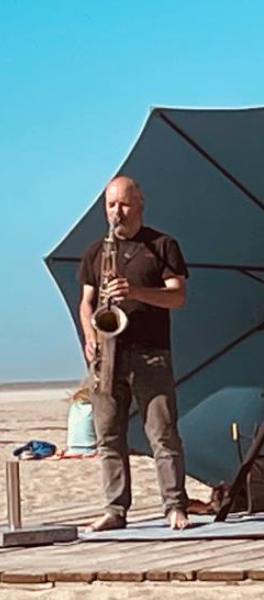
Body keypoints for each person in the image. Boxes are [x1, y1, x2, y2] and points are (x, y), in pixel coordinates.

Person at [78, 175, 191, 531]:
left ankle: (174, 505)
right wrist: (89, 335)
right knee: (109, 436)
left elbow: (178, 297)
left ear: (139, 204)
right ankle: (115, 509)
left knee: (163, 432)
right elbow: (86, 302)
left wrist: (137, 291)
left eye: (124, 204)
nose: (117, 212)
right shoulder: (96, 251)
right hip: (108, 354)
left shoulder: (162, 245)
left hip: (150, 353)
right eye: (111, 205)